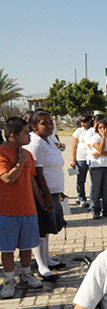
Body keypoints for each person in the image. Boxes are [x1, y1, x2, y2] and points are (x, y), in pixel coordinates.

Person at [0, 117, 43, 298]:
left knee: (27, 245)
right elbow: (8, 178)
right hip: (7, 211)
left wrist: (41, 200)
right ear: (13, 135)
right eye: (25, 132)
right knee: (8, 248)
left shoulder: (27, 154)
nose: (30, 135)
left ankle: (26, 273)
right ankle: (9, 279)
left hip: (28, 209)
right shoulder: (2, 153)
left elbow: (32, 179)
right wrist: (20, 161)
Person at [25, 111, 69, 282]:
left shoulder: (49, 140)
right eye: (44, 123)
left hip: (54, 190)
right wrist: (45, 196)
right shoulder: (35, 143)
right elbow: (38, 173)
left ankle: (47, 259)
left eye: (51, 122)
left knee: (48, 228)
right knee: (41, 228)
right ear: (34, 126)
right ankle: (40, 264)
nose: (49, 126)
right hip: (44, 192)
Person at [89, 119, 107, 220]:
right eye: (100, 128)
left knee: (106, 189)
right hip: (97, 167)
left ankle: (106, 209)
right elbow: (100, 148)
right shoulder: (94, 138)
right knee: (96, 190)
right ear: (97, 129)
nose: (103, 130)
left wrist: (99, 154)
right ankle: (95, 210)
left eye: (104, 127)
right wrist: (103, 138)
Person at [70, 115, 93, 207]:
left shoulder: (93, 131)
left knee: (93, 180)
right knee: (81, 179)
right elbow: (74, 146)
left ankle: (93, 199)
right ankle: (81, 198)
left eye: (85, 122)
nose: (83, 124)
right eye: (82, 122)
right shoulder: (78, 131)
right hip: (81, 158)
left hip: (91, 158)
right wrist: (73, 159)